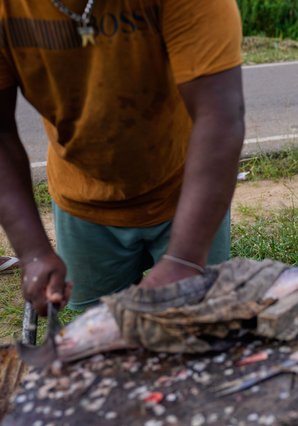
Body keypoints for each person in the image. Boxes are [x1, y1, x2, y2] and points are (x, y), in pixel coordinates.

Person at [0, 1, 245, 316]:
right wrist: (32, 252)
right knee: (103, 335)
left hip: (186, 189)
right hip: (82, 200)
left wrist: (185, 259)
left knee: (199, 330)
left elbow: (220, 116)